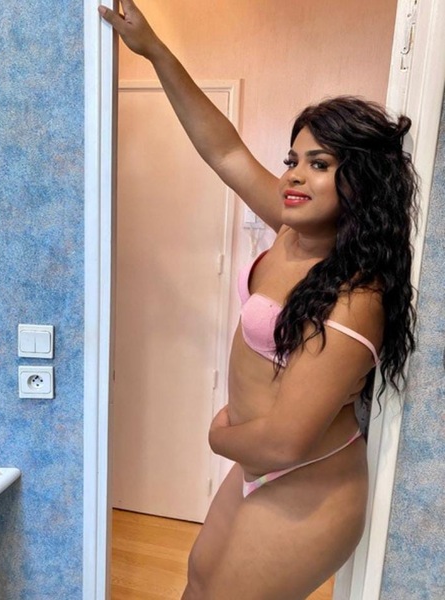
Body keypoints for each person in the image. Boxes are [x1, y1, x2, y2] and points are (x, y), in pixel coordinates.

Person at [99, 2, 418, 598]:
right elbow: (224, 151)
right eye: (293, 160)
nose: (293, 175)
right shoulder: (292, 232)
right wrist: (156, 52)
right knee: (199, 583)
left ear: (362, 182)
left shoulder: (357, 295)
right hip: (258, 468)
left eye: (319, 164)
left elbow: (285, 441)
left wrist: (218, 437)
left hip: (308, 482)